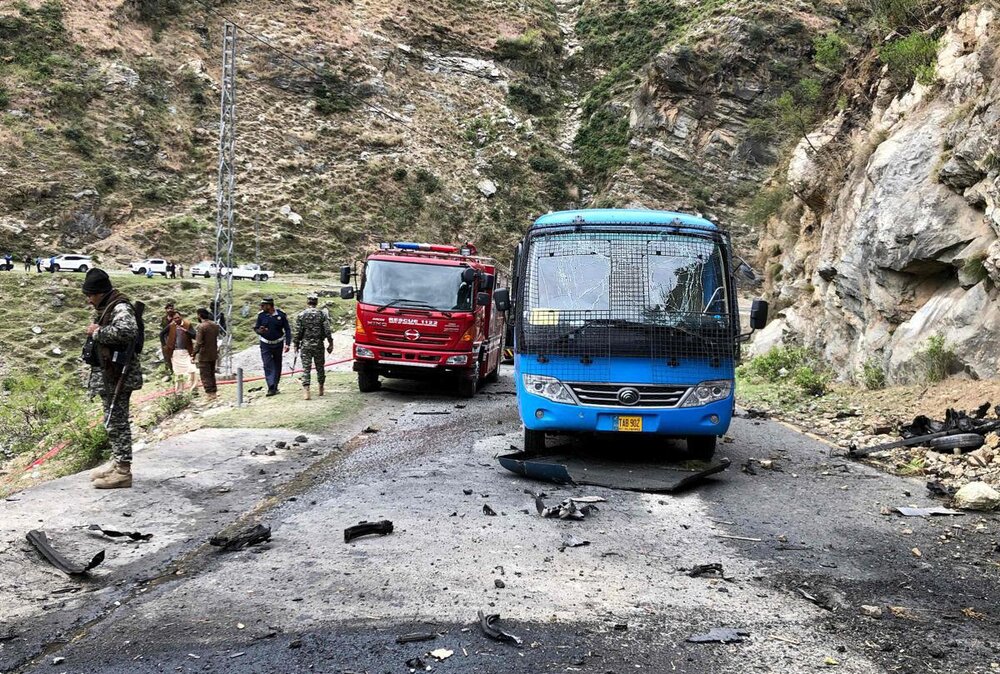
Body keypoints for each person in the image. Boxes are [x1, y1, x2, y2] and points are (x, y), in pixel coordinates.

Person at [82, 268, 143, 489]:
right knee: (112, 421)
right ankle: (117, 463)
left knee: (117, 422)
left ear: (101, 293)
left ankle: (123, 471)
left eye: (91, 295)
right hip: (109, 374)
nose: (89, 300)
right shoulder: (109, 306)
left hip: (119, 376)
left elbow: (128, 331)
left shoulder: (120, 307)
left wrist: (97, 332)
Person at [293, 293, 334, 400]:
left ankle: (307, 392)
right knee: (320, 367)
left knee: (306, 369)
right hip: (319, 344)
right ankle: (321, 388)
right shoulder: (322, 314)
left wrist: (296, 344)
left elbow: (297, 332)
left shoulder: (301, 315)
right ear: (316, 302)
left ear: (307, 302)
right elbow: (327, 330)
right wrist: (330, 343)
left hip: (306, 345)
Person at [254, 297, 291, 396]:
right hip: (265, 344)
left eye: (263, 306)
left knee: (277, 365)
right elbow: (256, 328)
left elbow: (287, 329)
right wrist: (260, 331)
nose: (261, 307)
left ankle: (275, 386)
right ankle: (271, 387)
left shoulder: (281, 315)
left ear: (270, 306)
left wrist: (288, 343)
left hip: (278, 344)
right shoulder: (261, 316)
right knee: (267, 364)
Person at [192, 308, 220, 400]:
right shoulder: (215, 325)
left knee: (205, 374)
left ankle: (209, 394)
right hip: (213, 352)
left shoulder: (201, 327)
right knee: (212, 373)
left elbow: (199, 342)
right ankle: (214, 392)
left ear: (199, 315)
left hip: (204, 354)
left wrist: (194, 353)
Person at [167, 312, 197, 391]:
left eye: (178, 317)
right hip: (175, 352)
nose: (177, 319)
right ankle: (179, 391)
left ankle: (193, 389)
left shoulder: (187, 324)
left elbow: (195, 336)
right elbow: (162, 334)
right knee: (178, 373)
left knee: (192, 369)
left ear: (181, 317)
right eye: (175, 318)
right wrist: (166, 345)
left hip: (186, 352)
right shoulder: (171, 326)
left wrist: (186, 331)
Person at [159, 303, 176, 373]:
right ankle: (170, 370)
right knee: (167, 355)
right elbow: (163, 329)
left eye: (171, 308)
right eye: (168, 308)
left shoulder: (176, 317)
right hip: (166, 338)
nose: (170, 310)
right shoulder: (164, 318)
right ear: (166, 310)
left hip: (175, 337)